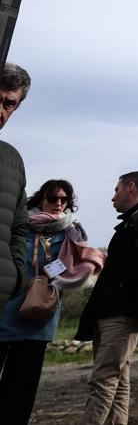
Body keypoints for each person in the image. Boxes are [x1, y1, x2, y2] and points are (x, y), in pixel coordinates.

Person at [0, 179, 103, 419]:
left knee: (23, 384)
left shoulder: (71, 231)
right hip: (7, 309)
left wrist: (53, 272)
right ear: (40, 200)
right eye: (53, 198)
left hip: (41, 314)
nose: (58, 203)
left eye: (64, 199)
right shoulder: (19, 225)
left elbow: (73, 265)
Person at [76, 172, 138, 425]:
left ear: (131, 187)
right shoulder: (134, 220)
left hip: (126, 313)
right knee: (118, 378)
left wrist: (124, 290)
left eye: (116, 190)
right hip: (113, 311)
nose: (112, 197)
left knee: (103, 379)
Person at [0, 64, 30, 310]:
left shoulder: (12, 159)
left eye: (8, 104)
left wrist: (14, 275)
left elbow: (19, 227)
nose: (0, 111)